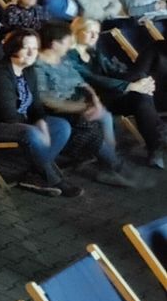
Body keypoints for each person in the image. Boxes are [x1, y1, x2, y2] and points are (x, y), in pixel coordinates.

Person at [0, 29, 79, 197]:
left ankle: (34, 174)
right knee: (30, 132)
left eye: (35, 48)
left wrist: (42, 124)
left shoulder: (27, 69)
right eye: (26, 48)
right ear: (13, 48)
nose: (32, 52)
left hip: (19, 121)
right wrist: (37, 128)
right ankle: (54, 179)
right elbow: (8, 116)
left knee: (61, 126)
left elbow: (36, 105)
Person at [34, 23, 136, 187]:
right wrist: (82, 108)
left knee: (104, 116)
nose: (70, 45)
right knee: (91, 127)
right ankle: (113, 165)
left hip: (75, 105)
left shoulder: (62, 59)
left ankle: (109, 163)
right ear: (54, 44)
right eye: (67, 42)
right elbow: (47, 100)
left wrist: (94, 99)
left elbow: (81, 82)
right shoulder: (38, 66)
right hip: (56, 111)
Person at [69, 17, 163, 168]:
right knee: (138, 92)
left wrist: (143, 81)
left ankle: (154, 149)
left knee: (142, 96)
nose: (94, 36)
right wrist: (129, 86)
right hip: (87, 100)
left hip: (108, 96)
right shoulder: (69, 56)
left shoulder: (94, 52)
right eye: (89, 32)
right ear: (76, 33)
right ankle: (115, 161)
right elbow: (93, 79)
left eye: (96, 32)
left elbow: (115, 71)